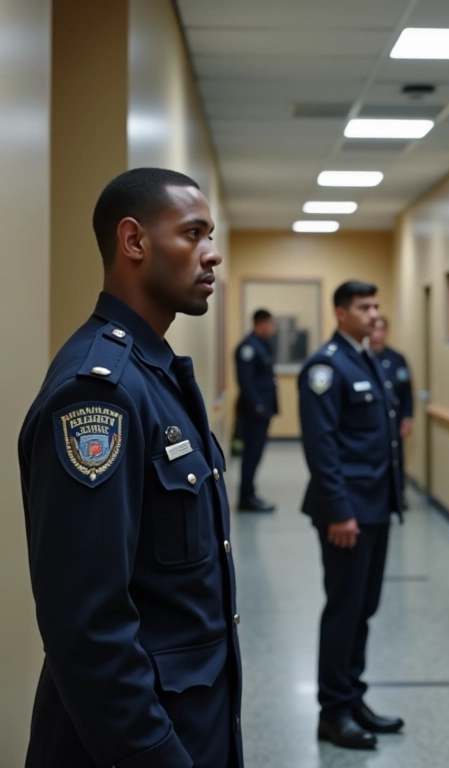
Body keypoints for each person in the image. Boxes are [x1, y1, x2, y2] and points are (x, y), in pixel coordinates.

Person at [18, 168, 243, 768]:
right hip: (139, 744)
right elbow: (87, 628)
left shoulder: (155, 374)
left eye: (210, 235)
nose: (212, 254)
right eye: (193, 234)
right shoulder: (101, 394)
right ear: (134, 242)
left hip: (189, 719)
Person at [298, 280, 404, 750]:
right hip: (346, 512)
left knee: (365, 607)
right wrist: (339, 511)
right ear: (341, 313)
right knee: (344, 608)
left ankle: (352, 694)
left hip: (375, 507)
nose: (374, 314)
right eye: (364, 307)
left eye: (376, 305)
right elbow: (322, 448)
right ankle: (333, 711)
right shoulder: (326, 367)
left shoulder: (366, 358)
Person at [235, 308, 278, 512]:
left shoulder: (263, 346)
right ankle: (246, 497)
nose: (273, 328)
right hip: (253, 412)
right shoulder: (248, 348)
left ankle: (250, 493)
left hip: (262, 411)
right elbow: (246, 382)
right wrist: (258, 407)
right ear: (260, 324)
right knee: (251, 455)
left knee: (256, 454)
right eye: (271, 324)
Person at [369, 316, 414, 508]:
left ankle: (398, 495)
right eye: (374, 330)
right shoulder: (363, 358)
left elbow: (407, 392)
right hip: (371, 421)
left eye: (381, 330)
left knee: (396, 457)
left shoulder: (397, 359)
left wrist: (408, 417)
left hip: (394, 418)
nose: (378, 334)